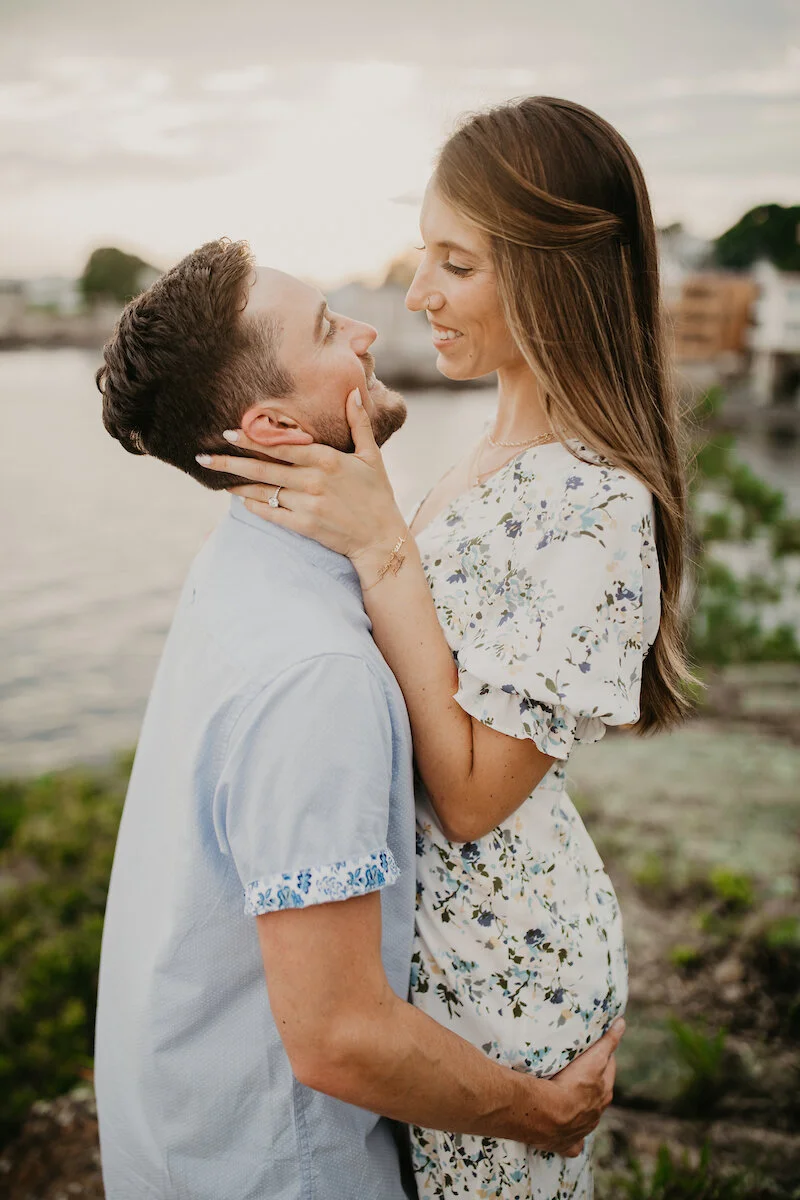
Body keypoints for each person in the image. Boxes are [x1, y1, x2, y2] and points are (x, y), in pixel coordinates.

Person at [200, 96, 693, 1199]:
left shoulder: (595, 503)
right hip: (436, 977)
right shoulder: (484, 454)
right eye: (424, 251)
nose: (416, 292)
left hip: (507, 990)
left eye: (453, 262)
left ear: (554, 273)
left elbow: (471, 796)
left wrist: (382, 547)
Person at [93, 237, 623, 1200]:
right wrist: (544, 1114)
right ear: (275, 425)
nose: (376, 328)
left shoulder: (247, 560)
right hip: (276, 1171)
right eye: (332, 329)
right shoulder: (318, 672)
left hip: (179, 1134)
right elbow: (341, 1038)